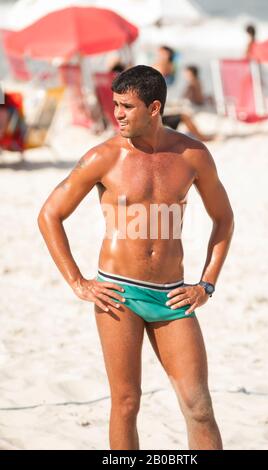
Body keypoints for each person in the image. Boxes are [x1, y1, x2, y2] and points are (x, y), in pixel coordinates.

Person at [37, 65, 234, 450]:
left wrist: (206, 283)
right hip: (118, 295)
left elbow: (224, 218)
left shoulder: (192, 155)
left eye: (127, 106)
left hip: (173, 294)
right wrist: (78, 282)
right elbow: (49, 215)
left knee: (199, 407)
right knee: (126, 403)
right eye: (115, 104)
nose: (118, 114)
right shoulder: (102, 157)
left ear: (155, 107)